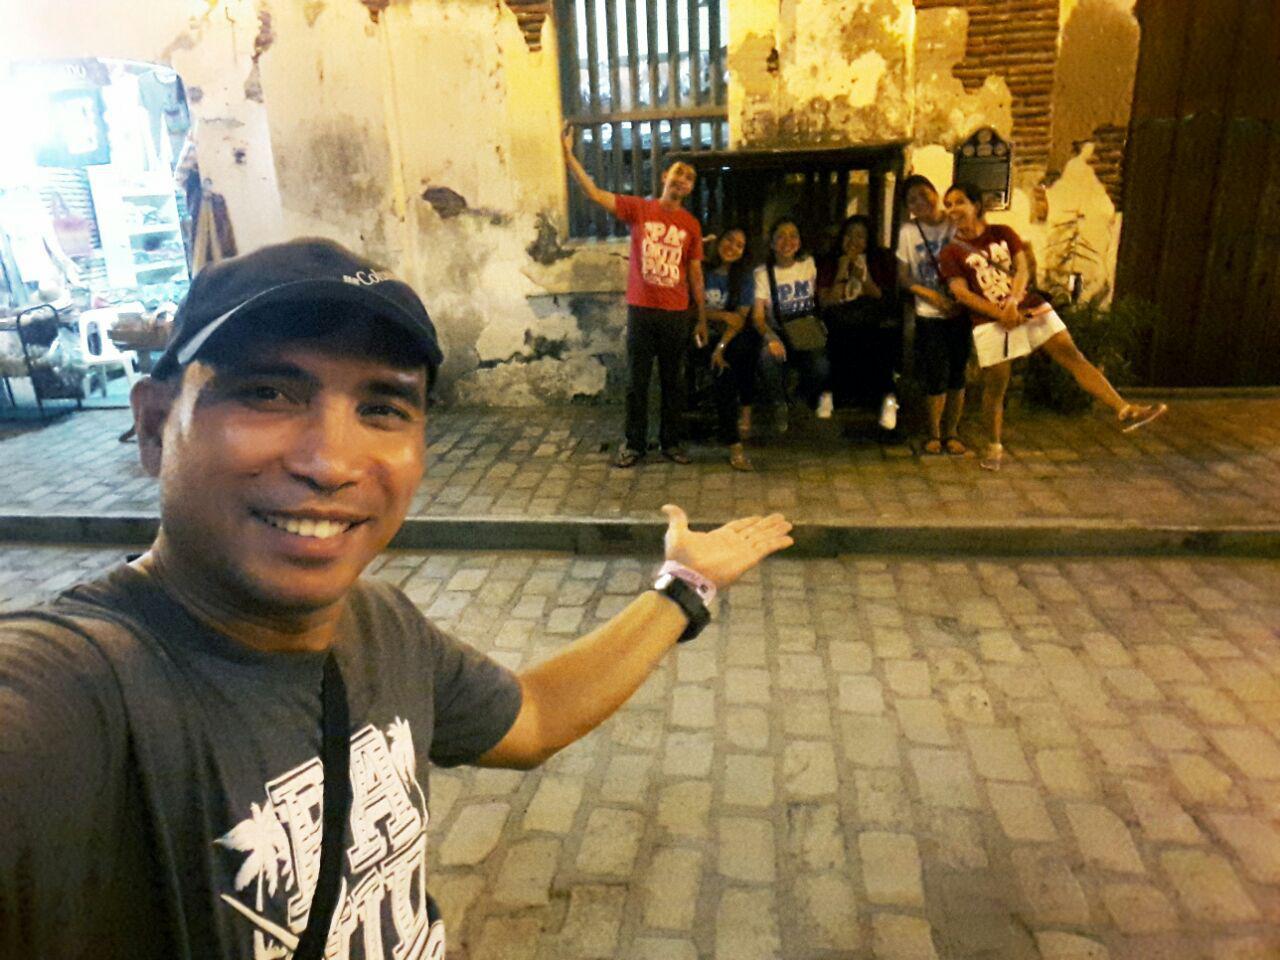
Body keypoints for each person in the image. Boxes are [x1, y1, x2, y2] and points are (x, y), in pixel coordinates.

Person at [0, 238, 794, 959]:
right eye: (268, 393)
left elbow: (533, 716)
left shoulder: (380, 628)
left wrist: (684, 587)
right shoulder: (80, 695)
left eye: (381, 408)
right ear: (152, 425)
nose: (331, 462)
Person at [938, 183, 1167, 470]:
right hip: (989, 321)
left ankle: (1124, 409)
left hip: (1027, 305)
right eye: (948, 204)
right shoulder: (950, 252)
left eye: (959, 202)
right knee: (996, 385)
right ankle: (993, 445)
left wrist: (1013, 301)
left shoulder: (1002, 233)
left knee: (1072, 355)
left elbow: (1022, 269)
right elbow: (961, 293)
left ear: (976, 205)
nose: (953, 209)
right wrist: (999, 313)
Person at [561, 128, 706, 468]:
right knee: (636, 383)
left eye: (689, 178)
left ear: (690, 188)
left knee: (673, 383)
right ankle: (634, 444)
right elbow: (594, 193)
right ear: (664, 177)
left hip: (675, 313)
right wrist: (568, 155)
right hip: (642, 310)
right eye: (679, 173)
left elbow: (695, 274)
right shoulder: (640, 209)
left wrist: (700, 318)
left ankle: (671, 443)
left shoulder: (691, 225)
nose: (682, 180)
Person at [895, 175, 968, 455]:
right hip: (928, 312)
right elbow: (903, 276)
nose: (920, 202)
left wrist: (960, 297)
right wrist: (931, 296)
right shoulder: (908, 232)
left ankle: (953, 432)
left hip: (960, 309)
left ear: (935, 193)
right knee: (935, 373)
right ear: (909, 208)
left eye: (923, 194)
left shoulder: (955, 224)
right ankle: (935, 433)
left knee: (958, 372)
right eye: (912, 200)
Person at [819, 214, 898, 432]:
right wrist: (842, 268)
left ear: (868, 239)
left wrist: (863, 275)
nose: (854, 241)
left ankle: (888, 399)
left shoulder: (878, 260)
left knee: (879, 338)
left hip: (869, 317)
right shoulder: (830, 261)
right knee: (838, 333)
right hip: (839, 317)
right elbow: (828, 300)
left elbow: (879, 295)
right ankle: (829, 393)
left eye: (860, 236)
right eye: (849, 235)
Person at [752, 218, 833, 430]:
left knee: (821, 366)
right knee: (767, 357)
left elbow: (818, 298)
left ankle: (799, 398)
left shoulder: (808, 264)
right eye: (781, 236)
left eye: (793, 236)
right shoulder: (763, 273)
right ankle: (779, 402)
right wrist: (770, 337)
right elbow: (758, 316)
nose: (787, 241)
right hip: (779, 330)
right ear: (772, 243)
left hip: (805, 329)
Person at [699, 226, 757, 470]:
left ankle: (744, 415)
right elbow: (691, 309)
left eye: (739, 245)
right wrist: (721, 315)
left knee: (742, 351)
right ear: (720, 239)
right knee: (724, 371)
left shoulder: (744, 277)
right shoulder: (702, 270)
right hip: (702, 334)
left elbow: (740, 319)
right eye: (729, 240)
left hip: (729, 339)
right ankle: (734, 444)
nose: (732, 247)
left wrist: (720, 347)